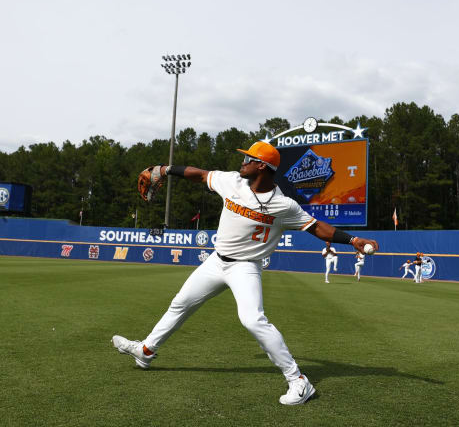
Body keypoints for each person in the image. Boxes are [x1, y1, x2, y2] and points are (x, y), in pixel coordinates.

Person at [112, 141, 379, 405]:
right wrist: (166, 168)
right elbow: (201, 174)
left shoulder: (284, 206)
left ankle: (298, 380)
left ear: (261, 166)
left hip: (245, 267)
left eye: (248, 159)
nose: (243, 162)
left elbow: (317, 227)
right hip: (216, 262)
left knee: (252, 319)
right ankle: (146, 351)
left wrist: (353, 239)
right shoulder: (232, 182)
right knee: (180, 303)